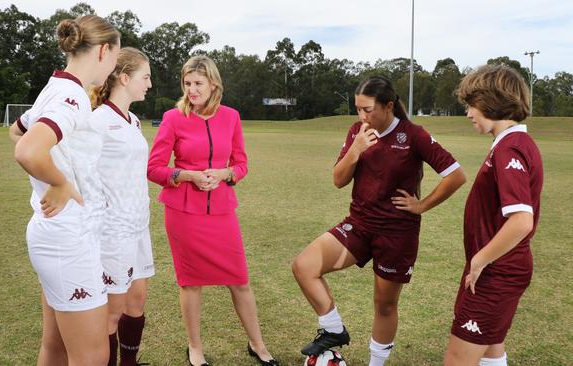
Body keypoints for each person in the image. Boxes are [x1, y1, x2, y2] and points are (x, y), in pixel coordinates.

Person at [292, 76, 467, 365]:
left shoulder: (414, 135)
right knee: (304, 266)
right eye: (358, 109)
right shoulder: (357, 132)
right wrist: (355, 149)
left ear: (388, 106)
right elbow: (338, 180)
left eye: (368, 109)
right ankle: (334, 330)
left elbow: (456, 175)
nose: (362, 116)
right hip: (359, 225)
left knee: (384, 305)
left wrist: (421, 205)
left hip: (397, 233)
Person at [147, 55, 279, 366]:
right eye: (187, 83)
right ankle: (195, 348)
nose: (191, 90)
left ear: (213, 85)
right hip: (183, 213)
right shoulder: (172, 118)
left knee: (240, 280)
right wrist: (186, 175)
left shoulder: (231, 117)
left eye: (198, 84)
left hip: (221, 211)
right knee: (191, 282)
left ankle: (257, 344)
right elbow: (153, 169)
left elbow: (242, 164)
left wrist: (225, 174)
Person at [8, 15, 120, 366]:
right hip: (66, 238)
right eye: (115, 57)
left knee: (56, 347)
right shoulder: (73, 95)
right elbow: (26, 149)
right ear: (103, 51)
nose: (115, 66)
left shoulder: (56, 87)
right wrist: (58, 182)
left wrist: (57, 174)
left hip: (60, 235)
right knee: (92, 355)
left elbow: (17, 129)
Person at [443, 65, 543, 366]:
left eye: (471, 105)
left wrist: (480, 259)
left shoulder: (509, 149)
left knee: (457, 361)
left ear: (490, 101)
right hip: (499, 268)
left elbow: (521, 221)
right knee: (490, 349)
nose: (468, 113)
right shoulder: (513, 143)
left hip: (496, 272)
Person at [89, 47, 154, 366]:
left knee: (137, 301)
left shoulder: (135, 121)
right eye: (145, 77)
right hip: (112, 231)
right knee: (111, 313)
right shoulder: (97, 121)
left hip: (138, 226)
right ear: (125, 78)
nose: (150, 84)